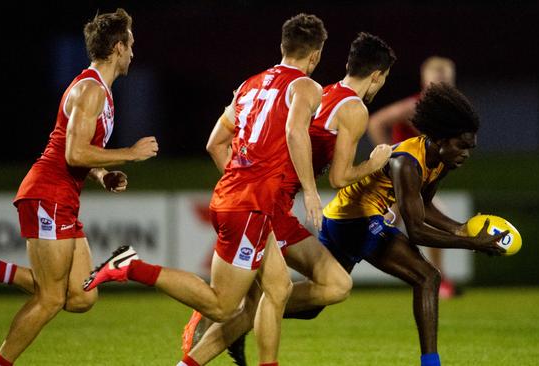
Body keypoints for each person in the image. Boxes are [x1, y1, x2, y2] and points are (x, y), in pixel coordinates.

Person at [83, 14, 328, 366]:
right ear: (315, 55)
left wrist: (243, 181)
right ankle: (130, 267)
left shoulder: (250, 84)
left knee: (277, 289)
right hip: (251, 205)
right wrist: (309, 190)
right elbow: (294, 131)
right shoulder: (307, 86)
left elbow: (215, 144)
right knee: (223, 304)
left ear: (282, 47)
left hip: (237, 197)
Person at [0, 9, 159, 366]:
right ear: (118, 47)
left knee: (81, 296)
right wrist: (130, 154)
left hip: (62, 197)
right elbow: (73, 151)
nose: (134, 54)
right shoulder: (90, 90)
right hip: (47, 192)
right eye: (131, 46)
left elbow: (78, 153)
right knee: (50, 298)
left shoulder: (102, 93)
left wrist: (101, 175)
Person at [182, 32, 396, 366]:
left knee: (334, 284)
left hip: (271, 202)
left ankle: (237, 314)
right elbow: (340, 178)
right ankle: (228, 317)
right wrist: (373, 164)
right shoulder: (353, 109)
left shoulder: (321, 92)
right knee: (286, 293)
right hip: (270, 206)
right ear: (377, 77)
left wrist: (242, 180)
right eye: (382, 81)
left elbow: (220, 142)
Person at [320, 83, 507, 366]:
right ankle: (431, 363)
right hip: (353, 220)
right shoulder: (406, 162)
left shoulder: (441, 160)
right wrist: (470, 243)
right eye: (462, 146)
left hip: (348, 218)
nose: (466, 154)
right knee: (427, 276)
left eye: (471, 147)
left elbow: (425, 206)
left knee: (318, 300)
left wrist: (460, 228)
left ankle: (249, 315)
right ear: (441, 138)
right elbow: (417, 230)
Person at [366, 56, 459, 298]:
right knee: (394, 222)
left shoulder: (448, 113)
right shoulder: (415, 107)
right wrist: (389, 155)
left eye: (445, 79)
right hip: (399, 179)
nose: (441, 83)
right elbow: (376, 122)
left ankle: (439, 279)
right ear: (424, 80)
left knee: (389, 225)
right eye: (436, 78)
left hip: (416, 181)